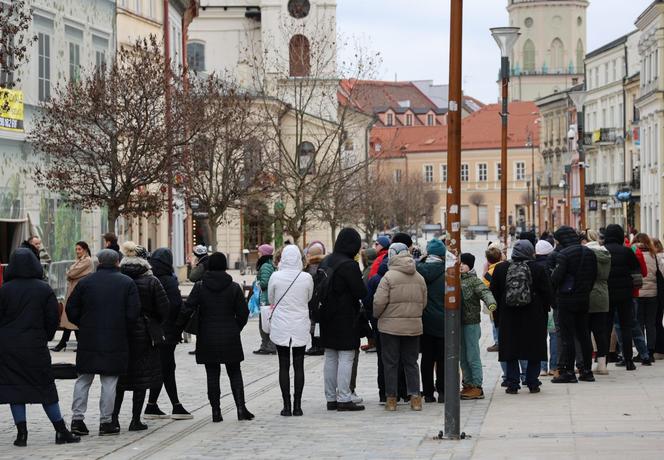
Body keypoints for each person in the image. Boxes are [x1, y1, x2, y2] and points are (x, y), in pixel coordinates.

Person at [0, 249, 80, 447]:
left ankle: (22, 434)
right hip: (35, 345)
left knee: (14, 388)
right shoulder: (43, 289)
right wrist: (45, 336)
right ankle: (61, 430)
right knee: (45, 387)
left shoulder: (4, 290)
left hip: (8, 346)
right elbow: (52, 319)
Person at [66, 249, 141, 436]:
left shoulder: (85, 282)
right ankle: (106, 421)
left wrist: (82, 324)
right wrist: (123, 326)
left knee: (83, 379)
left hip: (89, 337)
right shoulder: (127, 283)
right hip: (116, 337)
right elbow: (133, 313)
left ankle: (77, 420)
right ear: (118, 262)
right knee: (109, 381)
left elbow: (71, 307)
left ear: (98, 262)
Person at [177, 252, 253, 423]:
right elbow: (243, 313)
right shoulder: (233, 287)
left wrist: (177, 327)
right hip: (230, 335)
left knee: (212, 374)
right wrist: (235, 328)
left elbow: (187, 309)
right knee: (234, 372)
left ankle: (216, 412)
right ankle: (241, 409)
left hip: (207, 335)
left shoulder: (200, 286)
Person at [111, 243, 169, 431]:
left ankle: (113, 419)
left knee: (119, 378)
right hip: (145, 332)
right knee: (142, 377)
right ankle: (135, 419)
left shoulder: (118, 279)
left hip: (120, 331)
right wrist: (154, 321)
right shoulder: (151, 281)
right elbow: (164, 308)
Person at [490, 240, 552, 394]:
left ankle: (512, 383)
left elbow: (494, 294)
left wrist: (498, 318)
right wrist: (543, 314)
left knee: (510, 349)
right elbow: (547, 294)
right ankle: (532, 382)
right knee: (534, 349)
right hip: (534, 315)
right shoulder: (537, 268)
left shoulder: (501, 268)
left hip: (508, 315)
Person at [373, 243, 427, 411]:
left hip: (390, 327)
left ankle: (391, 399)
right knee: (411, 362)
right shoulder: (419, 277)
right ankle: (415, 398)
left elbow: (378, 302)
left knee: (390, 363)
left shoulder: (388, 277)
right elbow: (423, 302)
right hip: (413, 325)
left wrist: (378, 315)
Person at [319, 228, 368, 412]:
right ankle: (344, 398)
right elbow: (361, 292)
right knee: (346, 357)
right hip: (346, 317)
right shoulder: (349, 265)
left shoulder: (327, 261)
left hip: (326, 317)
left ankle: (331, 398)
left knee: (330, 357)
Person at [145, 248, 192, 420]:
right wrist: (178, 326)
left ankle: (152, 405)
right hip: (167, 331)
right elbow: (174, 305)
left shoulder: (150, 277)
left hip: (153, 330)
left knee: (162, 367)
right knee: (167, 368)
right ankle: (175, 406)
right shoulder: (169, 280)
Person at [268, 245, 314, 416]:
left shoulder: (276, 276)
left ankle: (286, 406)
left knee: (283, 365)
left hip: (281, 323)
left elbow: (271, 298)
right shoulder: (306, 277)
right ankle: (298, 406)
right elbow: (308, 297)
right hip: (300, 322)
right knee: (299, 366)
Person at [550, 226, 597, 383]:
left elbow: (556, 278)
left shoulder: (564, 254)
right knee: (584, 335)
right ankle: (586, 371)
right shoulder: (589, 253)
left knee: (567, 336)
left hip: (566, 300)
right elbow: (593, 276)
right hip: (584, 299)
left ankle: (569, 372)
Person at [603, 224, 641, 371]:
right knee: (626, 327)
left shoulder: (603, 251)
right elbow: (636, 270)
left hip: (608, 294)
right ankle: (629, 360)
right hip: (625, 294)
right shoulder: (627, 252)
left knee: (605, 327)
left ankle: (604, 360)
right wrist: (634, 288)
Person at [459, 253, 496, 400]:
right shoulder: (453, 280)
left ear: (470, 265)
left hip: (471, 323)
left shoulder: (474, 281)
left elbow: (485, 292)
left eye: (464, 263)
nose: (461, 266)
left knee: (472, 355)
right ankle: (467, 383)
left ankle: (477, 385)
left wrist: (491, 303)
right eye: (460, 263)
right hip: (458, 322)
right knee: (462, 356)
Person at [416, 239, 446, 403]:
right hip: (443, 321)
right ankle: (442, 391)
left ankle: (428, 393)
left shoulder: (418, 269)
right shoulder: (448, 272)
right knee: (442, 359)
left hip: (425, 321)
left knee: (427, 358)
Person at [51, 241, 94, 352]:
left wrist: (70, 273)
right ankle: (72, 344)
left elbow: (71, 273)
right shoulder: (80, 260)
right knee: (71, 319)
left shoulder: (87, 261)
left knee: (72, 318)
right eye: (76, 249)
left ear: (85, 249)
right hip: (73, 291)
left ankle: (66, 343)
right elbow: (71, 273)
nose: (77, 251)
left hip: (78, 293)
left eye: (79, 249)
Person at [585, 230, 612, 375]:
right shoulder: (606, 254)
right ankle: (602, 364)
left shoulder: (586, 253)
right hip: (603, 293)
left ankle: (586, 363)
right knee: (600, 332)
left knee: (585, 331)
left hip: (588, 293)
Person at [633, 233, 659, 363]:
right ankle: (651, 351)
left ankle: (642, 352)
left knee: (639, 323)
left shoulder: (633, 253)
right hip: (652, 293)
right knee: (651, 323)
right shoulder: (654, 255)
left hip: (638, 293)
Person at [535, 240, 558, 376]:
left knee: (540, 337)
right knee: (554, 336)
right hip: (552, 304)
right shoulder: (552, 265)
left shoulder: (533, 266)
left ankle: (542, 367)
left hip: (538, 306)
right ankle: (553, 367)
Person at [254, 244, 278, 355]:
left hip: (266, 299)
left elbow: (265, 283)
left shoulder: (265, 266)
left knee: (265, 324)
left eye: (259, 252)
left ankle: (269, 346)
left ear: (263, 253)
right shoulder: (267, 265)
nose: (258, 253)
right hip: (267, 299)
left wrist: (257, 283)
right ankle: (265, 345)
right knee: (266, 323)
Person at [305, 242, 326, 356]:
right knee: (319, 323)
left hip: (313, 300)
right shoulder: (325, 266)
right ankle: (320, 344)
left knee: (314, 323)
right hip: (322, 300)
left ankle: (316, 346)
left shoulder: (310, 268)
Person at [483, 245, 503, 353]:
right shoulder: (507, 267)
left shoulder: (488, 274)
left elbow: (485, 289)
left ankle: (498, 342)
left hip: (494, 303)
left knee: (495, 323)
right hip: (506, 301)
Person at [652, 238, 664, 360]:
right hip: (659, 292)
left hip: (658, 293)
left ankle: (659, 348)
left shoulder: (657, 258)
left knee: (656, 321)